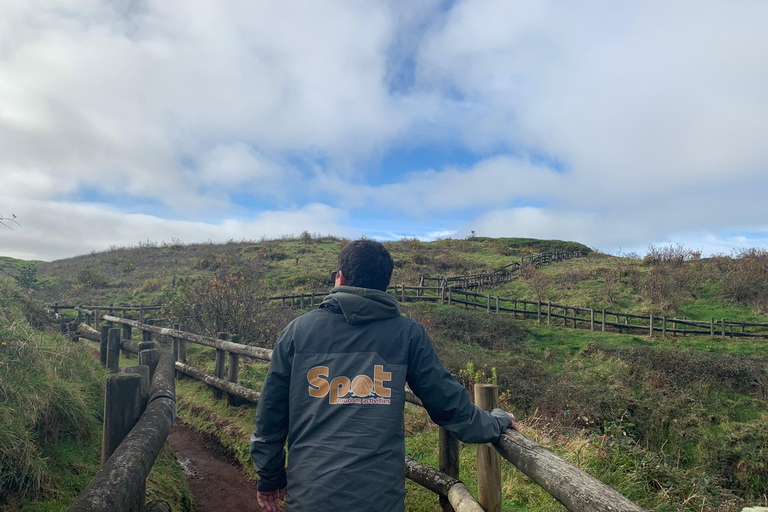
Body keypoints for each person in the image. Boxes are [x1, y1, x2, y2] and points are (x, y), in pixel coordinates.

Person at [250, 240, 516, 512]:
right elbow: (452, 408)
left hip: (311, 495)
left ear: (340, 277)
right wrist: (497, 421)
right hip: (380, 499)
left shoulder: (297, 332)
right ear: (385, 283)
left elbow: (270, 416)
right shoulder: (408, 335)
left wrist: (270, 477)